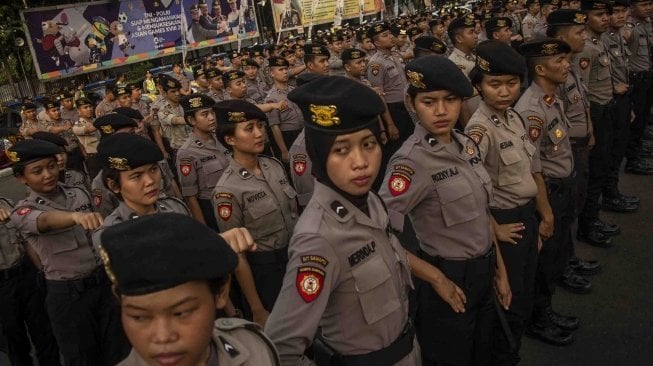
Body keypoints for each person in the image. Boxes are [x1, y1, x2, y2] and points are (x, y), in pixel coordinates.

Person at [266, 75, 431, 366]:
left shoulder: (369, 201)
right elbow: (281, 346)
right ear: (319, 154)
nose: (360, 162)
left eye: (369, 144)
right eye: (341, 150)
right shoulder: (317, 238)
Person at [379, 55, 509, 366]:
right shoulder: (410, 162)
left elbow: (482, 214)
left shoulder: (465, 145)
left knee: (484, 353)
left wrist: (500, 272)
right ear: (411, 102)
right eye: (429, 101)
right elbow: (379, 233)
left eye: (450, 100)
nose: (441, 111)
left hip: (484, 272)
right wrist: (435, 278)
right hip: (448, 278)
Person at [98, 213, 280, 365]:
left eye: (181, 313)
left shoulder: (254, 347)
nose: (163, 337)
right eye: (139, 317)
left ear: (220, 292)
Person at [8, 139, 130, 365]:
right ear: (21, 177)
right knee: (82, 358)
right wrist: (74, 217)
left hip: (102, 285)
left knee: (119, 353)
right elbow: (45, 221)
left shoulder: (78, 193)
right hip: (69, 296)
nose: (48, 174)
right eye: (37, 171)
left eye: (52, 166)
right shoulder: (23, 211)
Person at [464, 40, 539, 365]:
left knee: (522, 293)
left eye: (511, 83)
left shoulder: (514, 118)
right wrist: (495, 229)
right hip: (504, 222)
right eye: (495, 84)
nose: (505, 91)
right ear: (479, 86)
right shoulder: (478, 130)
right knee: (507, 301)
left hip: (525, 216)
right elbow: (472, 191)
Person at [514, 39, 578, 346]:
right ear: (540, 69)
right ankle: (538, 319)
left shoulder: (551, 98)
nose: (567, 65)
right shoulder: (531, 109)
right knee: (545, 261)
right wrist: (547, 211)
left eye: (566, 60)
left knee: (556, 255)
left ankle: (546, 310)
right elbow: (533, 166)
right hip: (548, 192)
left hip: (562, 186)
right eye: (559, 62)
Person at [212, 99, 299, 324]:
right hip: (267, 271)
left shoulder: (274, 166)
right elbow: (238, 256)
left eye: (260, 126)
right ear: (230, 139)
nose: (259, 133)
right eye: (249, 129)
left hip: (296, 255)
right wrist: (256, 307)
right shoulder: (227, 190)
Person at [91, 133, 190, 249]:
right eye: (136, 176)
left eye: (153, 169)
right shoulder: (111, 234)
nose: (150, 181)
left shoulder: (175, 207)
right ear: (114, 186)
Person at [0, 196, 61, 366]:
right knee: (14, 340)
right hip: (2, 288)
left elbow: (25, 241)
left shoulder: (5, 202)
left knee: (44, 332)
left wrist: (41, 271)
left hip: (25, 275)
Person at [176, 94, 230, 231]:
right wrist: (204, 230)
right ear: (191, 120)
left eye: (212, 113)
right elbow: (190, 196)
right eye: (205, 114)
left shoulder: (222, 139)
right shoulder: (186, 153)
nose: (212, 118)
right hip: (212, 208)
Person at [264, 57, 304, 164]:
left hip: (303, 131)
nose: (285, 72)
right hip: (289, 136)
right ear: (272, 73)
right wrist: (284, 150)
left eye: (286, 69)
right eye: (281, 70)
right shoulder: (271, 98)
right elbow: (274, 126)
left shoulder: (294, 90)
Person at [72, 97, 101, 179]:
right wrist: (102, 121)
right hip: (93, 158)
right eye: (85, 107)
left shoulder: (96, 120)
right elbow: (89, 129)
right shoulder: (78, 125)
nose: (89, 109)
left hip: (103, 154)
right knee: (96, 181)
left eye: (90, 106)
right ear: (78, 111)